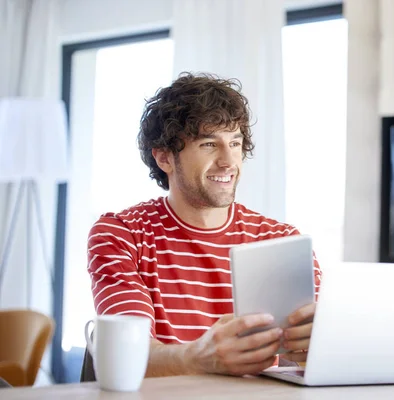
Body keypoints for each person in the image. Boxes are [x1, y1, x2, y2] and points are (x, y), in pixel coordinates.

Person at [87, 72, 322, 377]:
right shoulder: (122, 234)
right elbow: (125, 354)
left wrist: (316, 346)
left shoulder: (282, 241)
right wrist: (197, 357)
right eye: (209, 144)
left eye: (235, 143)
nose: (228, 161)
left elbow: (309, 360)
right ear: (164, 158)